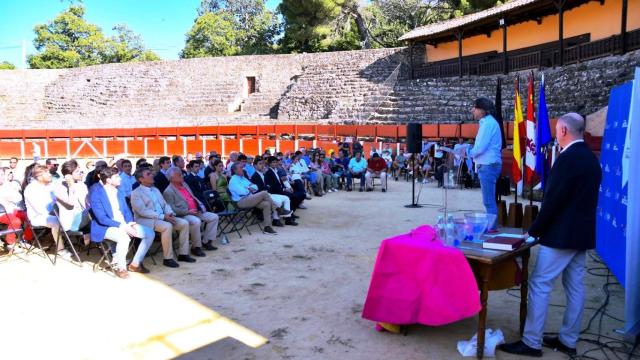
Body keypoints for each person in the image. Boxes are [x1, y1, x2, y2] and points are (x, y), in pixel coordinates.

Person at [498, 113, 602, 357]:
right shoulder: (591, 158)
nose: (555, 133)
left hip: (561, 235)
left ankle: (532, 342)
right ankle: (568, 340)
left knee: (540, 284)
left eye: (557, 129)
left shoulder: (566, 160)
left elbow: (553, 202)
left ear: (564, 130)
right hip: (582, 235)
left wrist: (533, 232)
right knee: (575, 287)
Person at [89, 167, 155, 278]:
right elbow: (102, 219)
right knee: (124, 237)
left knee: (149, 233)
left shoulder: (118, 191)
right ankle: (122, 268)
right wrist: (123, 226)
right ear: (109, 180)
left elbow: (126, 211)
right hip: (105, 227)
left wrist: (130, 223)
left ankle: (135, 264)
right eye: (116, 176)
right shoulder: (96, 194)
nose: (120, 178)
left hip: (124, 224)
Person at [130, 167, 193, 268]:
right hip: (146, 220)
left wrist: (170, 213)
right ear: (141, 179)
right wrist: (163, 217)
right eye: (148, 174)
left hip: (162, 217)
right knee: (167, 226)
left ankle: (183, 254)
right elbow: (143, 211)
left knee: (184, 223)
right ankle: (168, 258)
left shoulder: (155, 189)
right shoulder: (136, 193)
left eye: (151, 173)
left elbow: (165, 204)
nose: (152, 175)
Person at [465, 97, 503, 232]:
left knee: (488, 201)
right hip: (489, 164)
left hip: (488, 165)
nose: (472, 110)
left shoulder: (487, 124)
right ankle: (491, 227)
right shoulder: (488, 123)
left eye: (474, 107)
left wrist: (469, 151)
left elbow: (480, 148)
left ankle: (491, 229)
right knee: (489, 200)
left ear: (482, 110)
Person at [163, 167, 219, 254]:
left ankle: (206, 241)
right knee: (196, 221)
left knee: (214, 217)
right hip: (184, 214)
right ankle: (196, 247)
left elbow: (192, 197)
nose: (182, 176)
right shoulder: (168, 191)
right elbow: (172, 209)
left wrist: (200, 204)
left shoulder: (184, 184)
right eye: (179, 175)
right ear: (172, 178)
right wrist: (188, 211)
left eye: (182, 174)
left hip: (196, 210)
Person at [23, 165, 67, 256]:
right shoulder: (31, 189)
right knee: (56, 221)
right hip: (38, 217)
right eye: (46, 173)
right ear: (39, 177)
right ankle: (60, 249)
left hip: (53, 212)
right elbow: (40, 210)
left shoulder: (50, 185)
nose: (50, 174)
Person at [228, 163, 278, 235]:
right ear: (235, 170)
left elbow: (256, 187)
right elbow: (242, 192)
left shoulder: (243, 178)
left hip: (250, 199)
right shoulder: (233, 180)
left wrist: (248, 188)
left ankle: (267, 227)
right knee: (264, 193)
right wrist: (249, 188)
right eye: (241, 167)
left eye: (242, 167)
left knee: (266, 204)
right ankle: (277, 208)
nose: (243, 169)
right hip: (241, 201)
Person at [54, 160, 91, 246]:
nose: (80, 173)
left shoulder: (82, 185)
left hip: (84, 218)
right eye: (77, 172)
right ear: (68, 175)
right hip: (71, 222)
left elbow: (88, 203)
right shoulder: (59, 187)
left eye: (80, 171)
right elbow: (70, 205)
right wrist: (71, 186)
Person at [0, 167, 33, 252]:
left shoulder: (7, 185)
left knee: (29, 217)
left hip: (11, 210)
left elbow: (17, 198)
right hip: (2, 213)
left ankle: (24, 239)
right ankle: (10, 243)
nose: (2, 177)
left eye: (3, 175)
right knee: (15, 221)